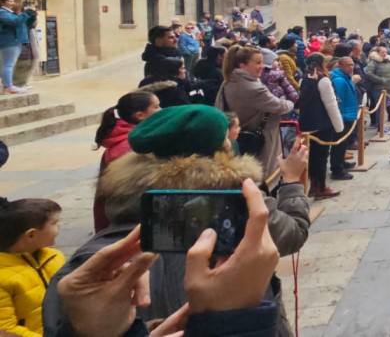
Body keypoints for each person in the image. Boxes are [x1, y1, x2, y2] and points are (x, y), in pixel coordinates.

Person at [48, 105, 309, 335]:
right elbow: (292, 233)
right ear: (221, 150)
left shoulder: (86, 273)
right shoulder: (239, 205)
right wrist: (292, 182)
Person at [215, 45, 295, 181]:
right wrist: (288, 102)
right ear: (242, 65)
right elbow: (281, 106)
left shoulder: (229, 81)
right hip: (261, 136)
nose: (262, 66)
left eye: (262, 62)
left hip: (242, 133)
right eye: (258, 63)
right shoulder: (252, 87)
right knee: (266, 176)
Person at [92, 91, 161, 232]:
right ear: (140, 116)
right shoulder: (128, 147)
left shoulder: (132, 140)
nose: (161, 110)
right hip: (125, 225)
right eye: (156, 107)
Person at [0, 197, 63, 336]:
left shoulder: (55, 257)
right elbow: (6, 329)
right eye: (54, 223)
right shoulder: (3, 278)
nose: (59, 227)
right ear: (31, 235)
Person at [298, 53, 344, 199]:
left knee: (312, 156)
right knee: (321, 156)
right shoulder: (323, 80)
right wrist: (339, 126)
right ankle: (321, 187)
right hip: (322, 123)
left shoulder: (304, 79)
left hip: (307, 122)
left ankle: (313, 185)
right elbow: (331, 104)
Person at [329, 56, 361, 181]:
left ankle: (342, 162)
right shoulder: (340, 80)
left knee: (344, 143)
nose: (351, 67)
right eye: (348, 65)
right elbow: (338, 100)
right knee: (339, 143)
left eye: (352, 64)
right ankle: (337, 169)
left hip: (349, 113)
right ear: (341, 66)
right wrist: (341, 116)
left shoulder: (345, 78)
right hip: (344, 115)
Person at [363, 46, 390, 135]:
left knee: (384, 107)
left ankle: (383, 125)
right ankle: (380, 126)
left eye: (386, 52)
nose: (385, 54)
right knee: (380, 108)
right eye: (383, 52)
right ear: (377, 53)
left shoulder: (388, 61)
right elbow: (368, 73)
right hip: (379, 88)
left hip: (389, 86)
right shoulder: (373, 62)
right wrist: (380, 79)